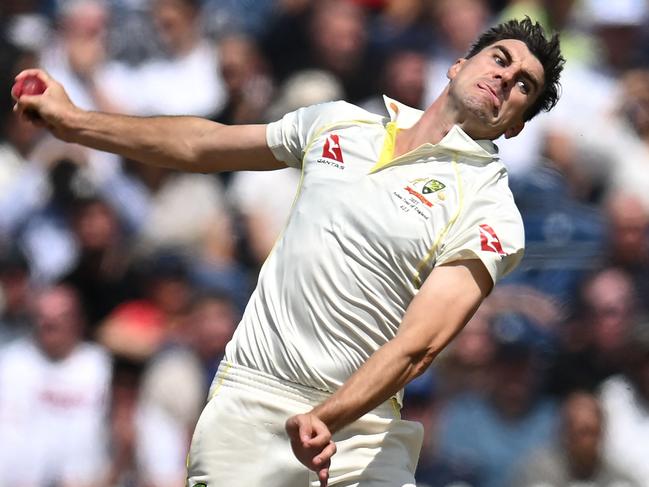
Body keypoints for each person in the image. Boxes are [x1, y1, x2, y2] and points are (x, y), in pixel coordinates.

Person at [12, 17, 564, 487]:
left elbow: (420, 344)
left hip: (362, 436)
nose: (505, 77)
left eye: (523, 86)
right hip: (250, 406)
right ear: (457, 64)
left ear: (515, 125)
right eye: (499, 58)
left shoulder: (492, 210)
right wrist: (76, 121)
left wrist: (329, 415)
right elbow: (199, 144)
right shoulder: (340, 124)